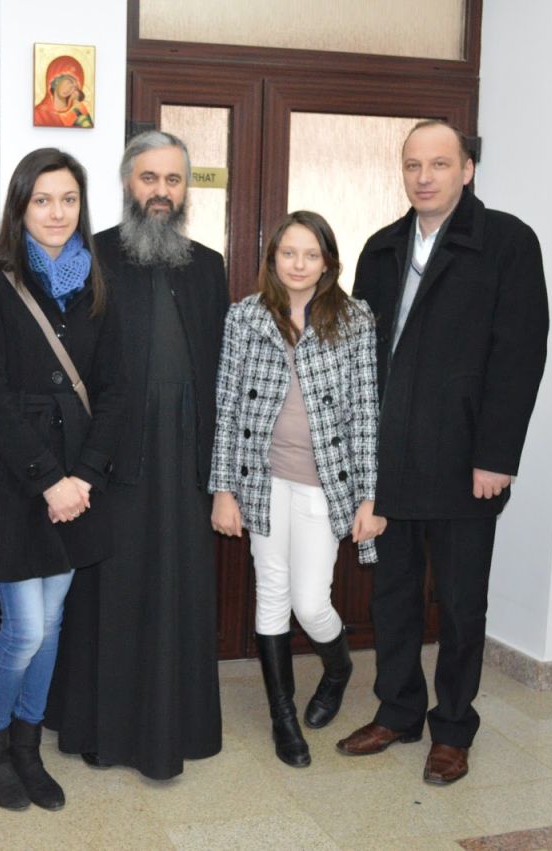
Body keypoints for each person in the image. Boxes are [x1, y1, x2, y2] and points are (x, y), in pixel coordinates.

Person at [338, 120, 548, 785]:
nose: (424, 177)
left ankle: (453, 728)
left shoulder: (507, 242)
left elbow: (520, 355)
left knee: (459, 605)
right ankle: (398, 711)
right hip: (391, 460)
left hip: (465, 461)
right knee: (392, 598)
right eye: (412, 165)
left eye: (438, 163)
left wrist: (498, 455)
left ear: (467, 170)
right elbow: (359, 355)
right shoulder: (381, 247)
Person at [45, 130, 228, 780]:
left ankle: (179, 727)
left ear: (186, 188)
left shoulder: (208, 265)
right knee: (111, 596)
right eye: (149, 178)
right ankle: (103, 729)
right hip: (109, 460)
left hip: (187, 462)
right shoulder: (85, 256)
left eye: (173, 179)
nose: (161, 191)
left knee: (180, 591)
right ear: (128, 183)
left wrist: (222, 474)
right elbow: (61, 362)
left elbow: (222, 373)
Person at [0, 148, 123, 811]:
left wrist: (84, 476)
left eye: (69, 199)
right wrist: (49, 479)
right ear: (20, 207)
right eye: (43, 200)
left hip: (77, 481)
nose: (57, 213)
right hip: (12, 480)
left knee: (51, 624)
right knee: (25, 628)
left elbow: (114, 389)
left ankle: (27, 745)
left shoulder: (96, 283)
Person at [209, 210, 386, 768]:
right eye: (289, 253)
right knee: (271, 593)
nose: (299, 264)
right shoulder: (245, 316)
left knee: (310, 603)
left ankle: (338, 667)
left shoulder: (354, 320)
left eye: (311, 254)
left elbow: (366, 413)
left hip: (323, 483)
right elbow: (227, 405)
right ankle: (282, 717)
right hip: (261, 479)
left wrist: (370, 496)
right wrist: (223, 490)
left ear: (328, 262)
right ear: (273, 258)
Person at [33, 54, 94, 128]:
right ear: (56, 80)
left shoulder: (78, 111)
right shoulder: (38, 114)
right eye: (69, 81)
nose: (71, 88)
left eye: (75, 87)